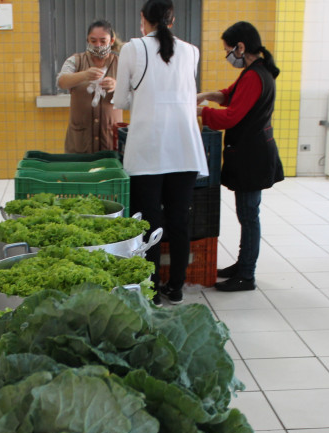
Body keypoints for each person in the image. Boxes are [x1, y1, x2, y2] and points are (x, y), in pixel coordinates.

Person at [112, 0, 207, 306]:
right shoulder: (192, 51)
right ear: (173, 19)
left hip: (148, 149)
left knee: (149, 223)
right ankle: (176, 288)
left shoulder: (132, 49)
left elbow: (122, 99)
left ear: (144, 20)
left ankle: (151, 289)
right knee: (179, 221)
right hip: (185, 150)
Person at [197, 22, 284, 292]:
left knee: (248, 215)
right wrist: (203, 96)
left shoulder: (255, 76)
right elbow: (229, 95)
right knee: (247, 214)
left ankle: (246, 274)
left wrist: (199, 112)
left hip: (252, 156)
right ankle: (242, 264)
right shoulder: (255, 72)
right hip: (252, 152)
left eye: (228, 50)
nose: (228, 56)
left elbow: (232, 115)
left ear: (241, 47)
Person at [57, 20, 122, 153]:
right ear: (87, 40)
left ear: (111, 41)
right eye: (93, 41)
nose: (98, 45)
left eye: (103, 41)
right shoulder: (76, 61)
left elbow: (134, 89)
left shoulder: (120, 63)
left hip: (109, 140)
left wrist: (117, 85)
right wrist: (84, 75)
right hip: (80, 141)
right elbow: (62, 81)